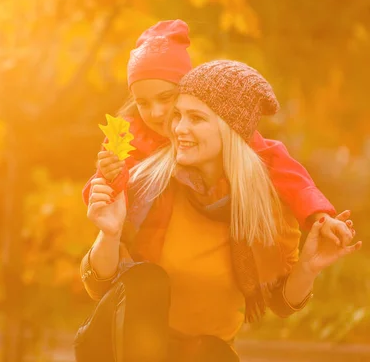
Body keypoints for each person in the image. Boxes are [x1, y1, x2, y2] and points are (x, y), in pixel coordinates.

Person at [74, 60, 362, 362]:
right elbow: (99, 285)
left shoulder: (265, 204)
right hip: (117, 345)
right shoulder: (150, 181)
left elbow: (279, 301)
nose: (179, 128)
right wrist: (110, 233)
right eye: (179, 115)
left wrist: (308, 267)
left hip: (198, 352)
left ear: (230, 129)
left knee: (215, 353)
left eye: (196, 118)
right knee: (147, 280)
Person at [82, 19, 352, 245]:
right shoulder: (128, 136)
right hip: (141, 256)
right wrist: (111, 176)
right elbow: (103, 199)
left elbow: (283, 169)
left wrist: (320, 216)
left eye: (166, 98)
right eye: (143, 103)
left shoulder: (216, 130)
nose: (155, 113)